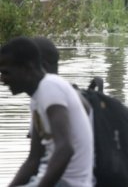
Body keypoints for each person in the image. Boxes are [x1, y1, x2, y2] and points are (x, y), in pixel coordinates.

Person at [1, 37, 93, 187]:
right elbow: (33, 160)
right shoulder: (36, 99)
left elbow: (65, 149)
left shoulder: (50, 88)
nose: (2, 80)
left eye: (6, 72)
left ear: (27, 68)